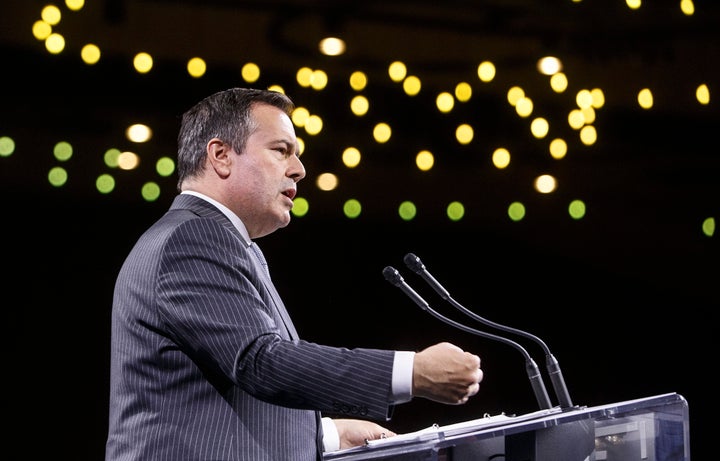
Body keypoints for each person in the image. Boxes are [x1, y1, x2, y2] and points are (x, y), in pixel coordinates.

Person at [105, 87, 483, 461]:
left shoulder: (213, 238)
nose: (299, 170)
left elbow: (215, 399)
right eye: (281, 150)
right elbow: (260, 362)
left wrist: (326, 435)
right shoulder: (195, 237)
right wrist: (410, 373)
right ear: (221, 156)